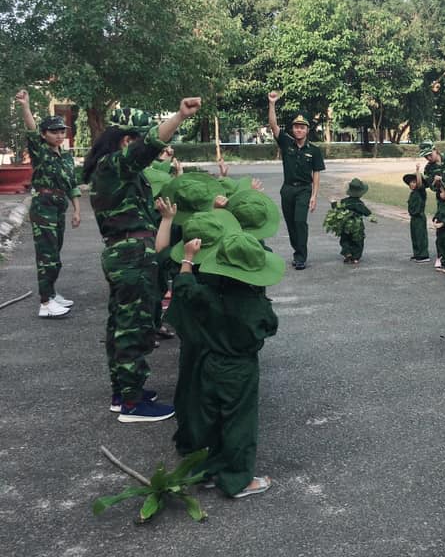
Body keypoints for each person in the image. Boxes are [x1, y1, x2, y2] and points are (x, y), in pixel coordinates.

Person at [81, 97, 202, 423]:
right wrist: (179, 116)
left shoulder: (112, 170)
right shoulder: (114, 166)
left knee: (120, 324)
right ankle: (132, 404)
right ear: (126, 141)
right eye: (136, 140)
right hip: (131, 256)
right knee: (133, 327)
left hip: (126, 253)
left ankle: (123, 393)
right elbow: (150, 145)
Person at [167, 232, 282, 498]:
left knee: (208, 418)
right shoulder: (256, 307)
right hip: (239, 369)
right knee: (239, 423)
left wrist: (187, 259)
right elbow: (270, 327)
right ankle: (237, 479)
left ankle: (208, 470)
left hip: (207, 362)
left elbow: (183, 287)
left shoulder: (204, 295)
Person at [14, 90, 81, 319]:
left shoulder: (66, 157)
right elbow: (31, 128)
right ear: (44, 135)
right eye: (54, 131)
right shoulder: (40, 151)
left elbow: (72, 185)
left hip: (59, 207)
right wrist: (26, 106)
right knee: (46, 256)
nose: (59, 135)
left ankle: (51, 293)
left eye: (62, 131)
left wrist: (77, 210)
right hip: (43, 207)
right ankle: (45, 303)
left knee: (55, 254)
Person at [268, 91, 325, 270]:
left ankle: (301, 257)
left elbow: (316, 173)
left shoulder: (314, 151)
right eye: (296, 127)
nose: (299, 130)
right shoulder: (286, 143)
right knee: (291, 224)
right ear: (293, 129)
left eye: (302, 127)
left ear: (307, 130)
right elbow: (273, 125)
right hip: (287, 190)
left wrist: (314, 196)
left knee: (300, 222)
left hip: (304, 190)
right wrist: (272, 103)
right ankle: (297, 251)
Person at [337, 178, 372, 264]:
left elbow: (338, 210)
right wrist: (371, 217)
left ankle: (347, 253)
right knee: (358, 241)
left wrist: (333, 204)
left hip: (345, 225)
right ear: (360, 193)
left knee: (345, 240)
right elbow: (367, 212)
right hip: (357, 225)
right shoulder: (359, 204)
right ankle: (356, 257)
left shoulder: (344, 201)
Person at [403, 167, 430, 263]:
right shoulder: (413, 193)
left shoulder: (421, 192)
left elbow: (420, 184)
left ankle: (423, 255)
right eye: (411, 182)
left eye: (414, 182)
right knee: (414, 236)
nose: (412, 184)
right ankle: (417, 254)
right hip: (413, 218)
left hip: (419, 217)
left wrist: (418, 171)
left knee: (420, 236)